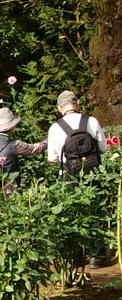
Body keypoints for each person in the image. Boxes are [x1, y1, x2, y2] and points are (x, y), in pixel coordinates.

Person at [47, 90, 109, 268]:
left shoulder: (55, 127)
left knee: (72, 214)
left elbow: (53, 159)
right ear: (78, 103)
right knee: (94, 212)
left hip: (68, 175)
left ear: (60, 108)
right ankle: (98, 257)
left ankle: (76, 258)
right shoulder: (91, 121)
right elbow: (103, 148)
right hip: (92, 173)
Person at [0, 107, 47, 195]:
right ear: (11, 127)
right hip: (7, 194)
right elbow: (35, 149)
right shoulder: (15, 144)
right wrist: (50, 140)